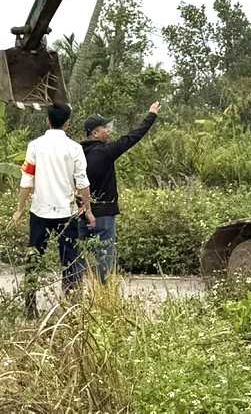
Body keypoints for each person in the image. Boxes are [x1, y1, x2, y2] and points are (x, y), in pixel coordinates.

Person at [12, 101, 94, 317]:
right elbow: (83, 183)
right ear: (68, 123)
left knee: (34, 259)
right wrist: (88, 208)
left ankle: (30, 308)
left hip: (39, 212)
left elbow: (26, 181)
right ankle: (70, 308)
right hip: (66, 214)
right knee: (69, 261)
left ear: (48, 120)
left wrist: (20, 209)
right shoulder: (75, 148)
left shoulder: (35, 146)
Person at [77, 102, 161, 282]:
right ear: (95, 133)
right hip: (104, 215)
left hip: (80, 213)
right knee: (105, 260)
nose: (109, 131)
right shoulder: (106, 151)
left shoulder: (76, 152)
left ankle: (73, 293)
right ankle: (103, 296)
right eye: (105, 128)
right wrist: (151, 115)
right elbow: (133, 136)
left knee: (76, 258)